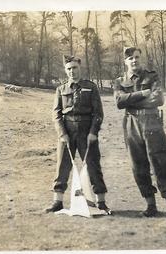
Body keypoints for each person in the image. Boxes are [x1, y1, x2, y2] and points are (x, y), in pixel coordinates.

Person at [113, 47, 166, 218]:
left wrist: (132, 101)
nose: (134, 60)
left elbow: (158, 99)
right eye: (130, 58)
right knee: (138, 165)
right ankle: (150, 205)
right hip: (131, 124)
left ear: (141, 58)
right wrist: (143, 94)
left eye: (137, 57)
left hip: (152, 122)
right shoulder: (119, 81)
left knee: (161, 162)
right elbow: (119, 101)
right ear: (125, 61)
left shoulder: (151, 76)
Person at [45, 55, 111, 214]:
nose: (72, 71)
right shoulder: (60, 89)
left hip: (86, 131)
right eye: (68, 69)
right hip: (67, 131)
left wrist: (93, 132)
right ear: (65, 70)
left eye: (74, 68)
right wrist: (62, 134)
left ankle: (101, 202)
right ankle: (57, 202)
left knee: (93, 165)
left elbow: (98, 113)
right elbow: (56, 114)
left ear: (80, 68)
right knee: (62, 166)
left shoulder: (91, 87)